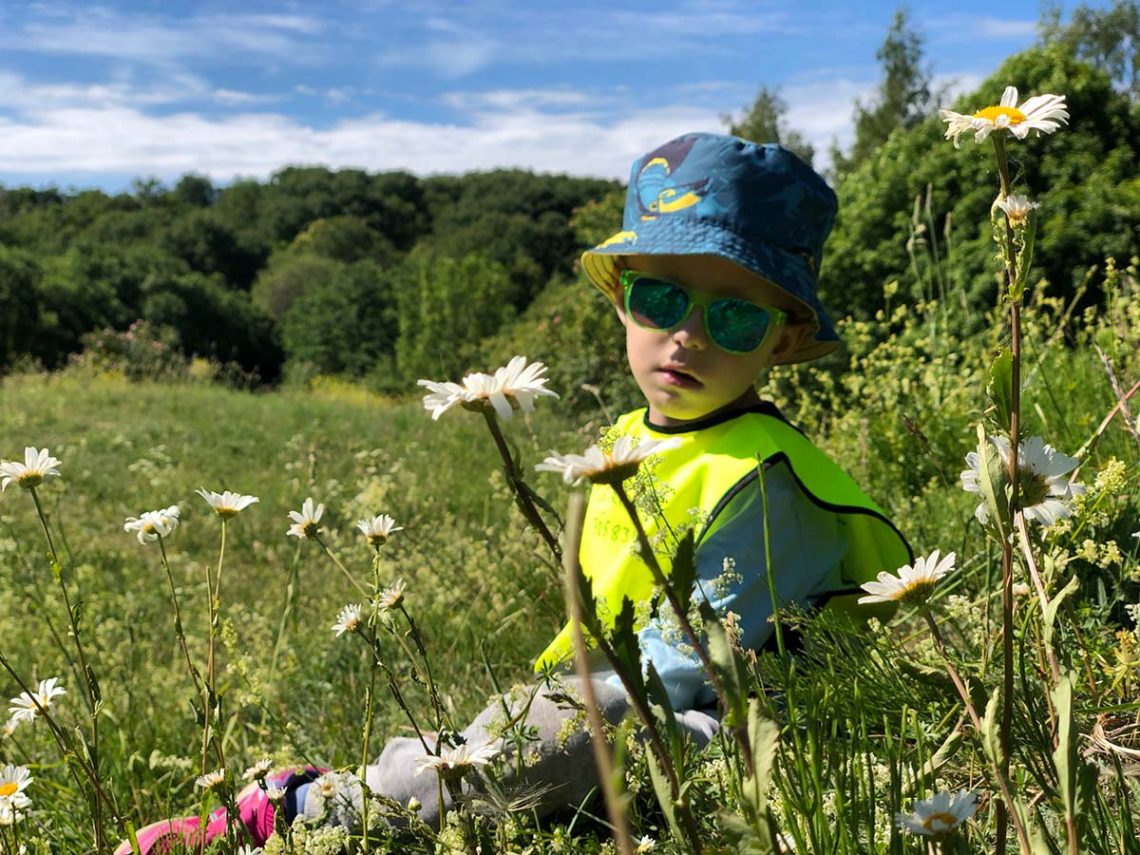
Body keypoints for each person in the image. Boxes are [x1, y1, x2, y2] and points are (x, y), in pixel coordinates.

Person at [118, 132, 910, 853]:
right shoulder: (631, 438)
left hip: (727, 732)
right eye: (662, 298)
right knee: (521, 735)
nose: (688, 334)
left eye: (735, 317)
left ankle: (306, 813)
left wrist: (551, 710)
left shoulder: (768, 481)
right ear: (621, 296)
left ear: (785, 337)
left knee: (543, 738)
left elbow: (685, 673)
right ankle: (324, 800)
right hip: (618, 699)